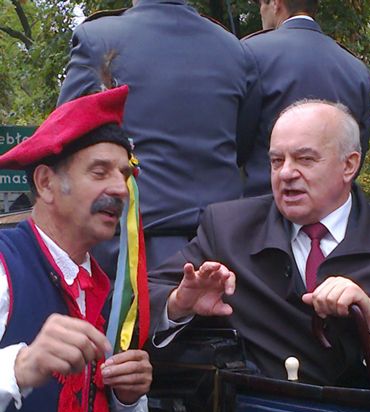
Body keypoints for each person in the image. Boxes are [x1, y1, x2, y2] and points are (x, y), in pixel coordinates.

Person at [149, 100, 370, 393]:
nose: (286, 173)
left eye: (305, 159)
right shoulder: (228, 228)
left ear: (349, 165)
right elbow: (141, 299)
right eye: (276, 161)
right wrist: (179, 303)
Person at [0, 86, 152, 412]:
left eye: (124, 174)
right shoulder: (4, 264)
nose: (119, 189)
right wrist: (19, 368)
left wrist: (126, 399)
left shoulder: (104, 291)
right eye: (99, 171)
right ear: (46, 182)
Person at [58, 0, 256, 272]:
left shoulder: (98, 38)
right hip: (224, 249)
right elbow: (243, 146)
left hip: (133, 250)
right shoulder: (235, 49)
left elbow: (65, 136)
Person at [237, 0, 370, 196]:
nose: (261, 12)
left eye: (261, 4)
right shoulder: (355, 69)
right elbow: (358, 146)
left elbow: (237, 141)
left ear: (275, 3)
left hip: (267, 201)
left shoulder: (249, 53)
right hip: (331, 203)